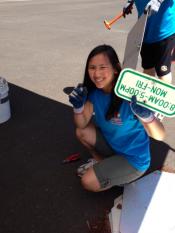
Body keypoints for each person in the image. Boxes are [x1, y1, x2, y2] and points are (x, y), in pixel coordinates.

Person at [68, 44, 165, 192]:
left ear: (115, 68)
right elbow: (81, 124)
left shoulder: (130, 94)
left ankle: (120, 177)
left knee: (87, 182)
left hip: (133, 160)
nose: (96, 73)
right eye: (92, 67)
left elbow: (160, 135)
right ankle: (101, 163)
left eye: (102, 67)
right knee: (81, 132)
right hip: (113, 146)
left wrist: (148, 116)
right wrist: (78, 107)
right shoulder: (94, 93)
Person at [123, 0, 175, 84]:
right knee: (148, 68)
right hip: (145, 29)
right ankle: (147, 96)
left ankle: (162, 96)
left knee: (163, 72)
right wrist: (130, 1)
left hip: (164, 30)